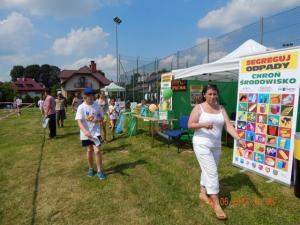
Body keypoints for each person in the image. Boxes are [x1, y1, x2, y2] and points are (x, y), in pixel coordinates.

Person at [188, 84, 241, 220]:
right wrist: (204, 125)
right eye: (210, 94)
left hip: (216, 145)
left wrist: (239, 139)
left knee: (209, 169)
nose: (212, 96)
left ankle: (202, 192)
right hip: (201, 144)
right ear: (204, 95)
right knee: (212, 172)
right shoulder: (198, 108)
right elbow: (190, 124)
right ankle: (216, 204)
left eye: (215, 94)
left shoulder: (221, 109)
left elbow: (228, 126)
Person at [75, 87, 106, 180]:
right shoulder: (81, 107)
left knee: (97, 151)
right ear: (85, 97)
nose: (92, 97)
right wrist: (85, 131)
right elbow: (79, 121)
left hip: (96, 133)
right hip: (86, 134)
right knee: (89, 151)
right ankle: (91, 169)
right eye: (89, 96)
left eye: (93, 95)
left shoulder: (97, 105)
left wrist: (98, 120)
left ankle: (99, 171)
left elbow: (103, 118)